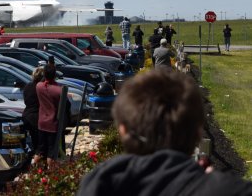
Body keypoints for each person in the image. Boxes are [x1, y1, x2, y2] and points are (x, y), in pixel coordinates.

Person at [77, 71, 252, 196]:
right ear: (199, 131)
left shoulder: (99, 184)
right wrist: (215, 183)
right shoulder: (232, 190)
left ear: (122, 130)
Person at [33, 64, 62, 167]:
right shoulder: (58, 90)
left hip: (41, 122)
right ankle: (51, 173)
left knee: (40, 149)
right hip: (52, 123)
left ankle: (34, 170)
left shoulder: (39, 86)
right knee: (51, 151)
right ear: (54, 75)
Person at [22, 67, 44, 157]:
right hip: (37, 117)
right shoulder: (41, 87)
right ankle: (37, 164)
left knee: (32, 142)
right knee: (39, 145)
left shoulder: (27, 86)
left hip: (27, 115)